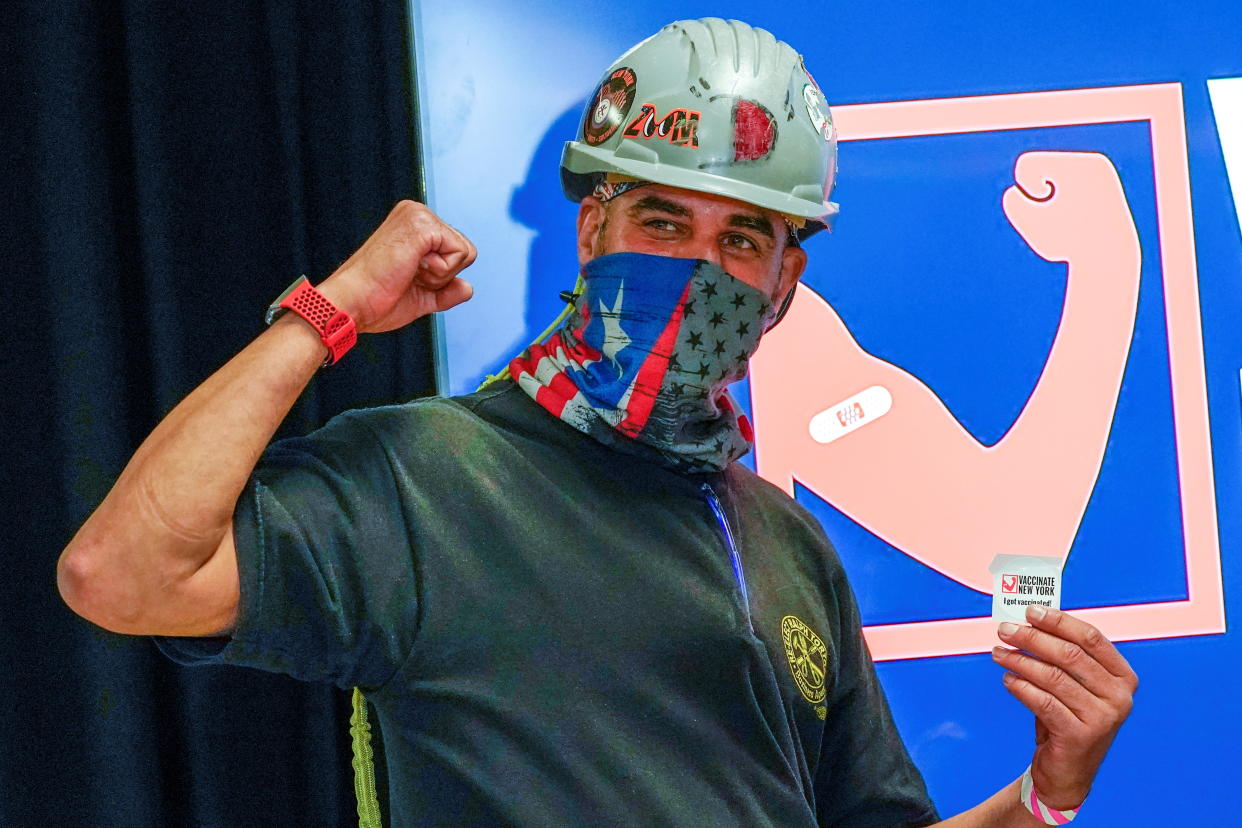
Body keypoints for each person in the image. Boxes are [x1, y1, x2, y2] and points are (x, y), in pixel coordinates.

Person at [58, 17, 1136, 828]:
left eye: (742, 240)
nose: (696, 271)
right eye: (662, 220)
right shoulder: (427, 475)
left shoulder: (784, 539)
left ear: (786, 281)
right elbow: (120, 573)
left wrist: (1046, 796)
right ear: (592, 229)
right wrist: (325, 313)